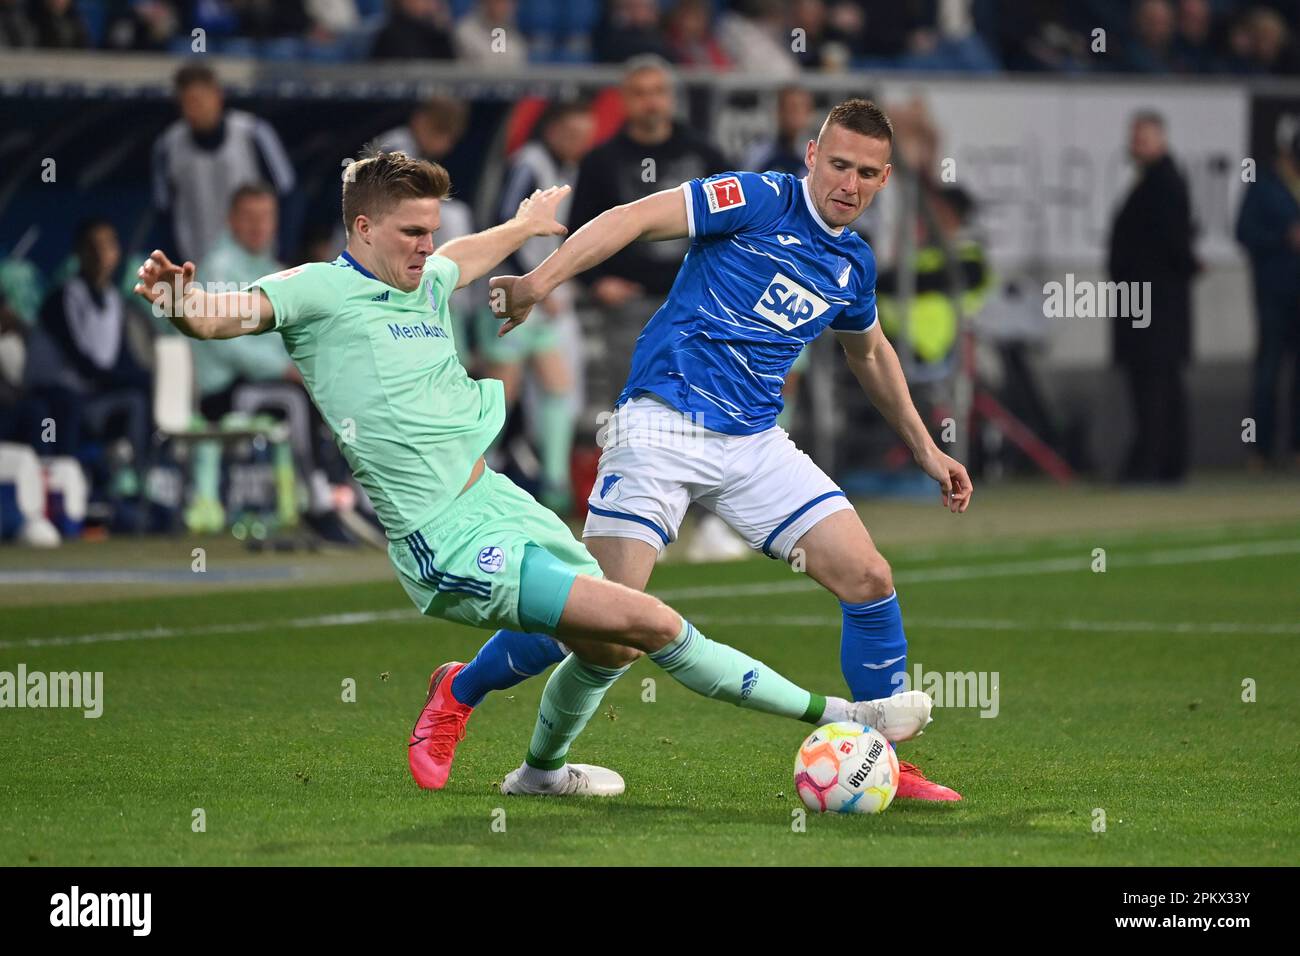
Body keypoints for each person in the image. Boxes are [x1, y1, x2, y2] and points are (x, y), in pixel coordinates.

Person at [132, 150, 935, 798]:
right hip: (440, 536)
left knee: (608, 646)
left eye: (429, 230)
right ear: (363, 225)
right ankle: (844, 713)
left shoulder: (428, 278)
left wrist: (521, 227)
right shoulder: (316, 289)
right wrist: (180, 305)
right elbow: (224, 313)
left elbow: (462, 256)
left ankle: (540, 774)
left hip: (500, 502)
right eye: (411, 231)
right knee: (648, 623)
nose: (425, 246)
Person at [463, 99, 973, 801]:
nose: (848, 184)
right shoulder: (759, 198)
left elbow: (871, 352)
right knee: (602, 618)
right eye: (838, 164)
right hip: (663, 424)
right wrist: (537, 281)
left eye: (866, 173)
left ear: (884, 180)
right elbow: (635, 217)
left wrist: (924, 447)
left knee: (869, 578)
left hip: (753, 442)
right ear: (812, 157)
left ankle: (883, 760)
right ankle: (460, 691)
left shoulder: (853, 262)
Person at [488, 102, 595, 513]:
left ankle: (554, 488)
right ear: (551, 130)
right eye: (571, 136)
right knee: (502, 393)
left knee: (558, 388)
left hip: (543, 300)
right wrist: (531, 285)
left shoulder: (567, 169)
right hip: (508, 294)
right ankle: (473, 477)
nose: (578, 144)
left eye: (583, 138)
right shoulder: (528, 165)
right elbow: (505, 226)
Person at [1107, 111, 1198, 484]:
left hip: (1152, 309)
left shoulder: (1163, 184)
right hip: (1152, 305)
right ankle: (1164, 461)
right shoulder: (1159, 182)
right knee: (1160, 385)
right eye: (1134, 138)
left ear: (1160, 140)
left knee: (1154, 387)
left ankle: (1153, 463)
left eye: (1142, 139)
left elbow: (1173, 245)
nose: (1135, 146)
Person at [152, 64, 296, 265]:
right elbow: (164, 213)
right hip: (198, 265)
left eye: (201, 100)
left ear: (218, 96)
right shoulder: (168, 146)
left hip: (259, 264)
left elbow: (287, 194)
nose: (196, 109)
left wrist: (283, 256)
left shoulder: (253, 133)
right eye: (188, 102)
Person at [1236, 130, 1300, 469]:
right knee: (1267, 372)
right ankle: (1259, 448)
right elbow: (1243, 232)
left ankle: (1297, 447)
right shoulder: (1263, 185)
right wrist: (1283, 238)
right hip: (1273, 293)